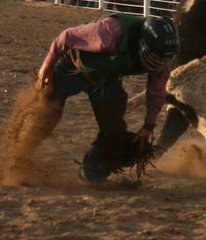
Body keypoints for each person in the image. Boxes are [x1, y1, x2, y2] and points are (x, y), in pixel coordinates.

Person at [35, 14, 180, 183]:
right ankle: (20, 156)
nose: (162, 63)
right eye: (157, 57)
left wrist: (149, 125)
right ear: (143, 44)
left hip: (106, 80)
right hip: (71, 67)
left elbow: (156, 92)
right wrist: (48, 64)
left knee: (114, 133)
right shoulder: (110, 31)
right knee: (45, 116)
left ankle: (92, 175)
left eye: (166, 58)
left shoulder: (160, 61)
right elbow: (67, 36)